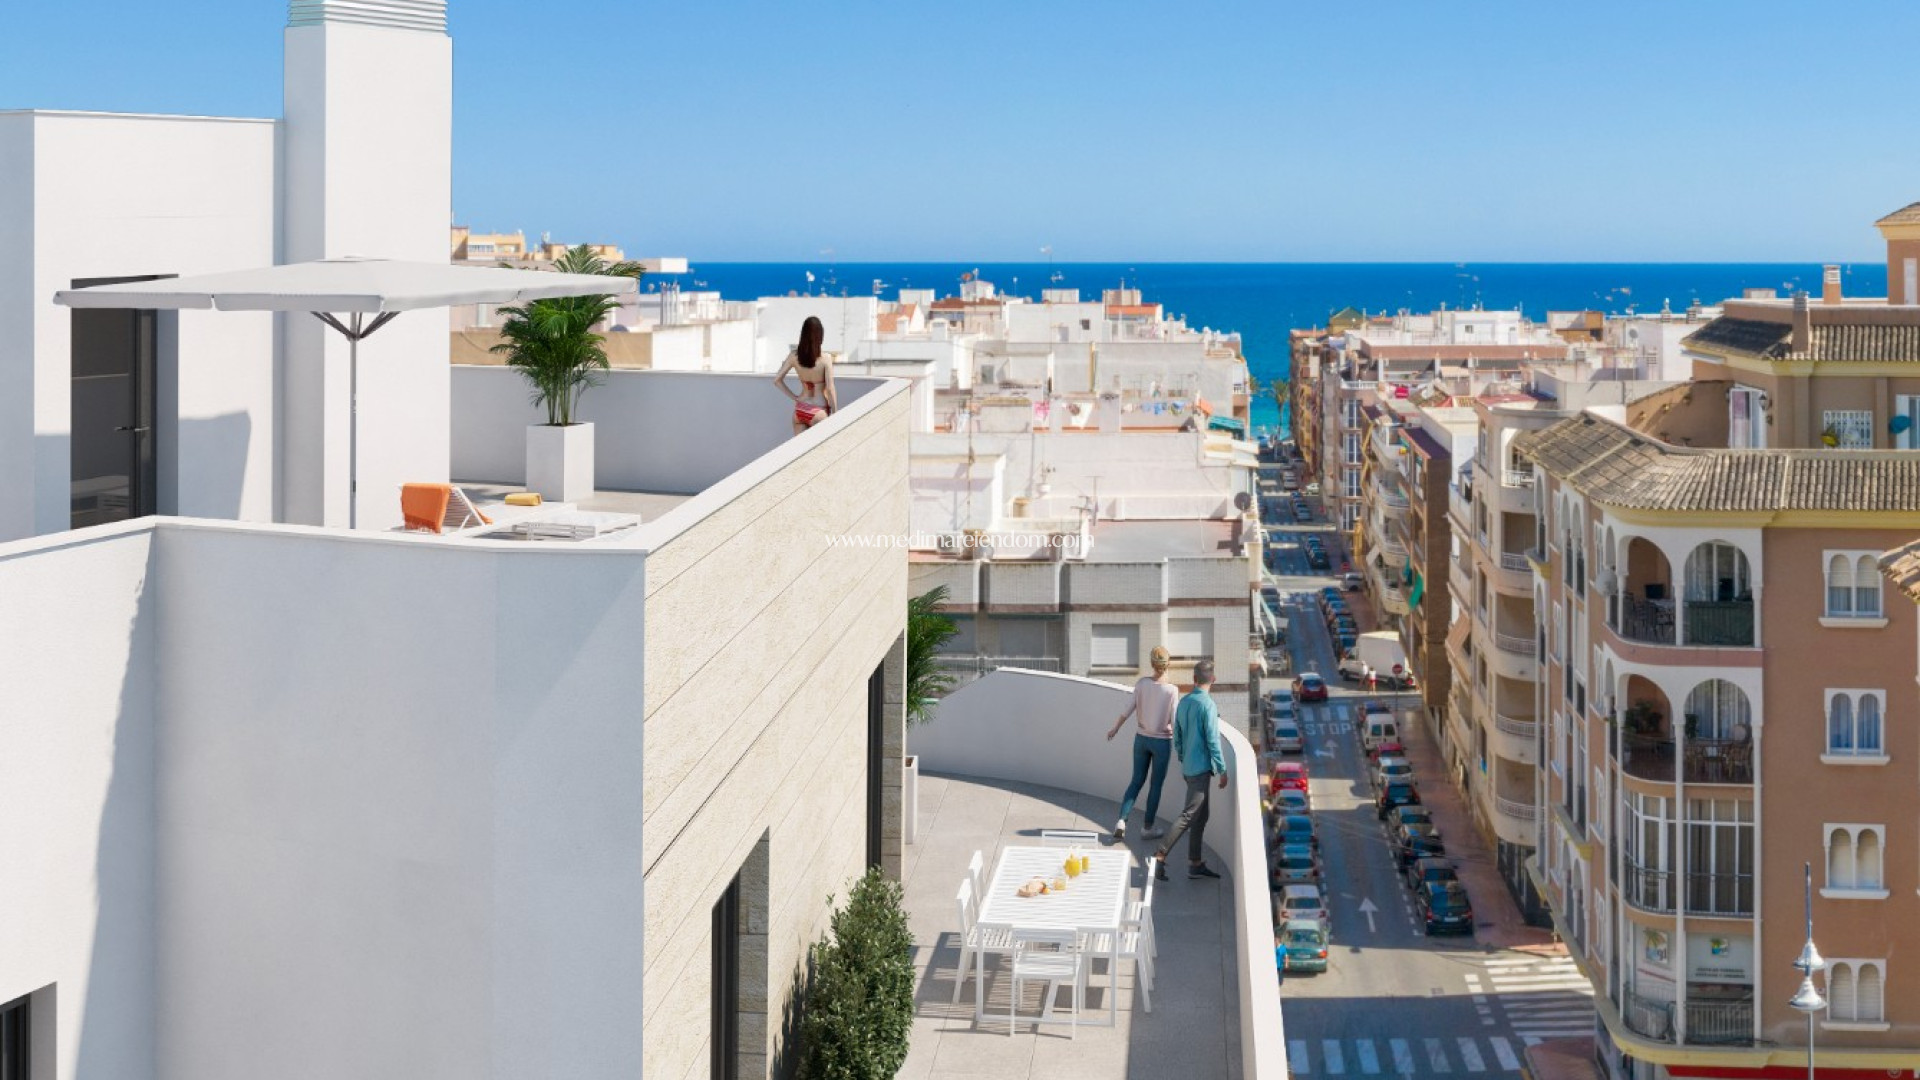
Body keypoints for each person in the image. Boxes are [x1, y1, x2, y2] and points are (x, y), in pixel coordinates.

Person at [1152, 659, 1228, 880]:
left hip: (1188, 767)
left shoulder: (1185, 702)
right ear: (1213, 679)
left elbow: (1177, 735)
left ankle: (1195, 863)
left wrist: (1183, 757)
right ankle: (1159, 855)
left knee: (1201, 816)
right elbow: (1213, 740)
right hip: (1200, 770)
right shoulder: (1208, 705)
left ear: (1194, 679)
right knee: (1188, 815)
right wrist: (1222, 769)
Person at [1105, 645, 1178, 841]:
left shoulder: (1142, 684)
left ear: (1152, 664)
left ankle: (1122, 821)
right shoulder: (1172, 690)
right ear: (1168, 665)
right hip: (1162, 742)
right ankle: (1147, 828)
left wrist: (1115, 728)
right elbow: (1174, 720)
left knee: (1136, 781)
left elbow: (1127, 709)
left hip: (1141, 739)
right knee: (1156, 785)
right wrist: (1181, 744)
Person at [773, 315, 836, 435]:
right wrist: (836, 412)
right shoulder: (826, 358)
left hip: (800, 409)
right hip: (819, 410)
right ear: (820, 336)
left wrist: (794, 397)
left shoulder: (793, 356)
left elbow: (777, 380)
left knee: (800, 446)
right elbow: (830, 389)